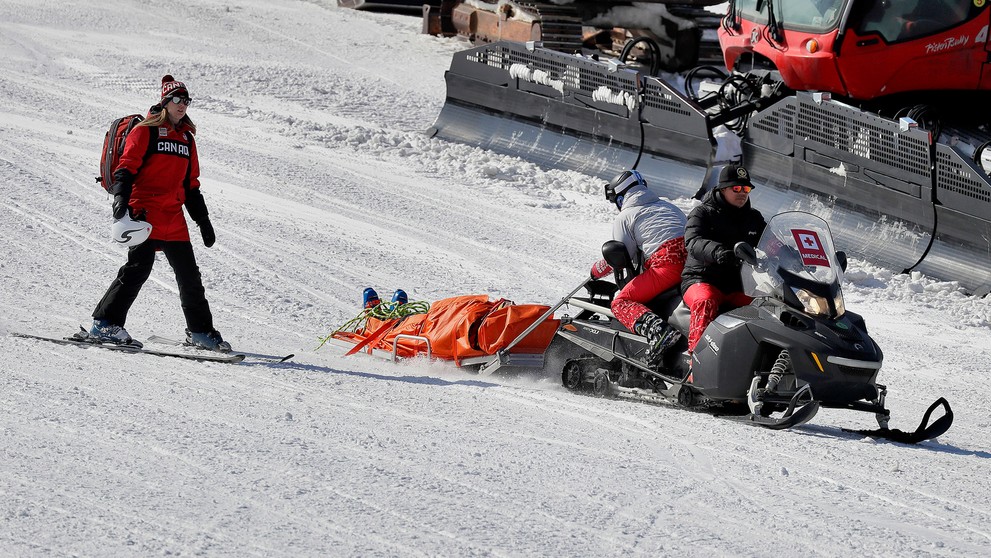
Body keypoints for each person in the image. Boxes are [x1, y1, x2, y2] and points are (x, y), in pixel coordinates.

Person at [89, 75, 229, 351]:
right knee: (138, 269)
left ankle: (200, 331)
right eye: (176, 99)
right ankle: (104, 323)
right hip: (145, 212)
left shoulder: (187, 139)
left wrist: (203, 220)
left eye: (186, 100)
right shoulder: (145, 131)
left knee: (190, 276)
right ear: (165, 102)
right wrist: (120, 200)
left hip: (173, 217)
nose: (182, 105)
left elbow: (191, 185)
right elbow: (126, 168)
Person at [590, 169, 688, 367]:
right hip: (692, 264)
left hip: (666, 266)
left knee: (621, 302)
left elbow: (620, 255)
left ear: (620, 198)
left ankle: (659, 333)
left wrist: (595, 272)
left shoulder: (626, 216)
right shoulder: (669, 206)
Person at [681, 163, 767, 355]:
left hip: (739, 284)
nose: (742, 193)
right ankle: (696, 363)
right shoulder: (702, 213)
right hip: (702, 279)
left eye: (746, 188)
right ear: (722, 189)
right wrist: (717, 252)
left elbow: (772, 242)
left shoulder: (753, 218)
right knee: (706, 301)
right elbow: (693, 242)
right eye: (736, 188)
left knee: (766, 306)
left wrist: (796, 257)